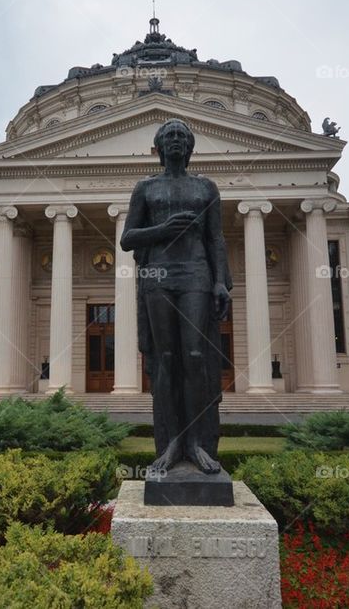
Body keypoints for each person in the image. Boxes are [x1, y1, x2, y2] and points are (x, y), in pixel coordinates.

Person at [121, 118, 231, 475]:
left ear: (190, 146)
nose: (176, 140)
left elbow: (216, 238)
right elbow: (128, 239)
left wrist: (221, 283)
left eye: (182, 136)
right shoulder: (146, 189)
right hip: (158, 276)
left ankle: (198, 444)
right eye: (169, 136)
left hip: (196, 274)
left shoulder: (206, 188)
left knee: (196, 355)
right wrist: (162, 230)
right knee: (166, 357)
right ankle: (170, 443)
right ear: (159, 146)